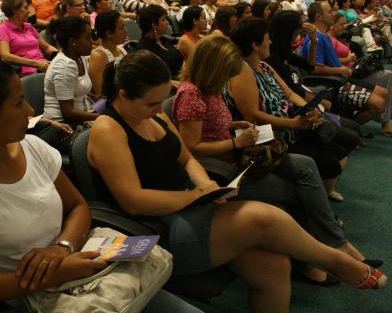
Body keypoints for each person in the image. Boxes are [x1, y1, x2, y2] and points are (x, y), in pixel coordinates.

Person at [87, 50, 386, 313]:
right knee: (261, 217)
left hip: (188, 207)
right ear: (123, 95)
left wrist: (205, 186)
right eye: (152, 103)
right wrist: (195, 196)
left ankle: (332, 256)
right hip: (156, 232)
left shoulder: (153, 118)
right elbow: (134, 201)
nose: (158, 109)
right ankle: (336, 259)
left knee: (274, 268)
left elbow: (187, 159)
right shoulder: (108, 130)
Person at [0, 57, 202, 312]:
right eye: (19, 102)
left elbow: (78, 206)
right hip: (35, 297)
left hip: (80, 266)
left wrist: (62, 247)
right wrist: (54, 273)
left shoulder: (32, 147)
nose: (31, 110)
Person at [173, 35, 380, 283]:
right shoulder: (192, 96)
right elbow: (191, 147)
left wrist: (235, 125)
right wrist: (236, 142)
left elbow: (213, 126)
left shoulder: (210, 89)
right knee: (297, 190)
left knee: (306, 165)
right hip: (227, 170)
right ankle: (310, 261)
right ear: (215, 68)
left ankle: (337, 243)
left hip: (241, 154)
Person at [224, 18, 354, 201]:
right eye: (267, 38)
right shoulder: (242, 71)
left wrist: (309, 109)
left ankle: (319, 195)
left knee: (341, 147)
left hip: (291, 127)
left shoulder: (264, 66)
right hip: (270, 138)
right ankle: (311, 200)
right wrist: (293, 123)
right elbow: (252, 115)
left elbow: (290, 95)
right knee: (331, 161)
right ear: (255, 44)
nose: (270, 42)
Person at [300, 1, 389, 133]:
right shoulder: (316, 38)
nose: (333, 13)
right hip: (334, 83)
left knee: (384, 93)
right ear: (319, 16)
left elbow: (329, 62)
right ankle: (350, 129)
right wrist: (341, 69)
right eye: (329, 11)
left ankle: (350, 126)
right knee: (379, 104)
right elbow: (316, 69)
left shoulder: (324, 35)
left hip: (341, 78)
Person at [43, 17, 98, 124]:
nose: (92, 42)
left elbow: (78, 91)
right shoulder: (63, 66)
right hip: (62, 126)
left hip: (83, 116)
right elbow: (68, 113)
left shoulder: (80, 57)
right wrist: (101, 116)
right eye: (87, 38)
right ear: (73, 42)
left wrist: (100, 100)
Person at [0, 0, 57, 77]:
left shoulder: (28, 26)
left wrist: (61, 56)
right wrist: (36, 63)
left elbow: (47, 47)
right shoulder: (2, 29)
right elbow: (5, 56)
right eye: (25, 8)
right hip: (27, 73)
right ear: (14, 9)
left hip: (44, 67)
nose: (28, 12)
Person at [133, 5, 183, 86]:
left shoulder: (164, 40)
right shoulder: (144, 50)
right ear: (154, 25)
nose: (167, 22)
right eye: (163, 20)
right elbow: (151, 79)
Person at [88, 10, 127, 98]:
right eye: (121, 28)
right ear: (109, 33)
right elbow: (101, 94)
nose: (126, 31)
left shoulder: (121, 49)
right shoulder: (98, 56)